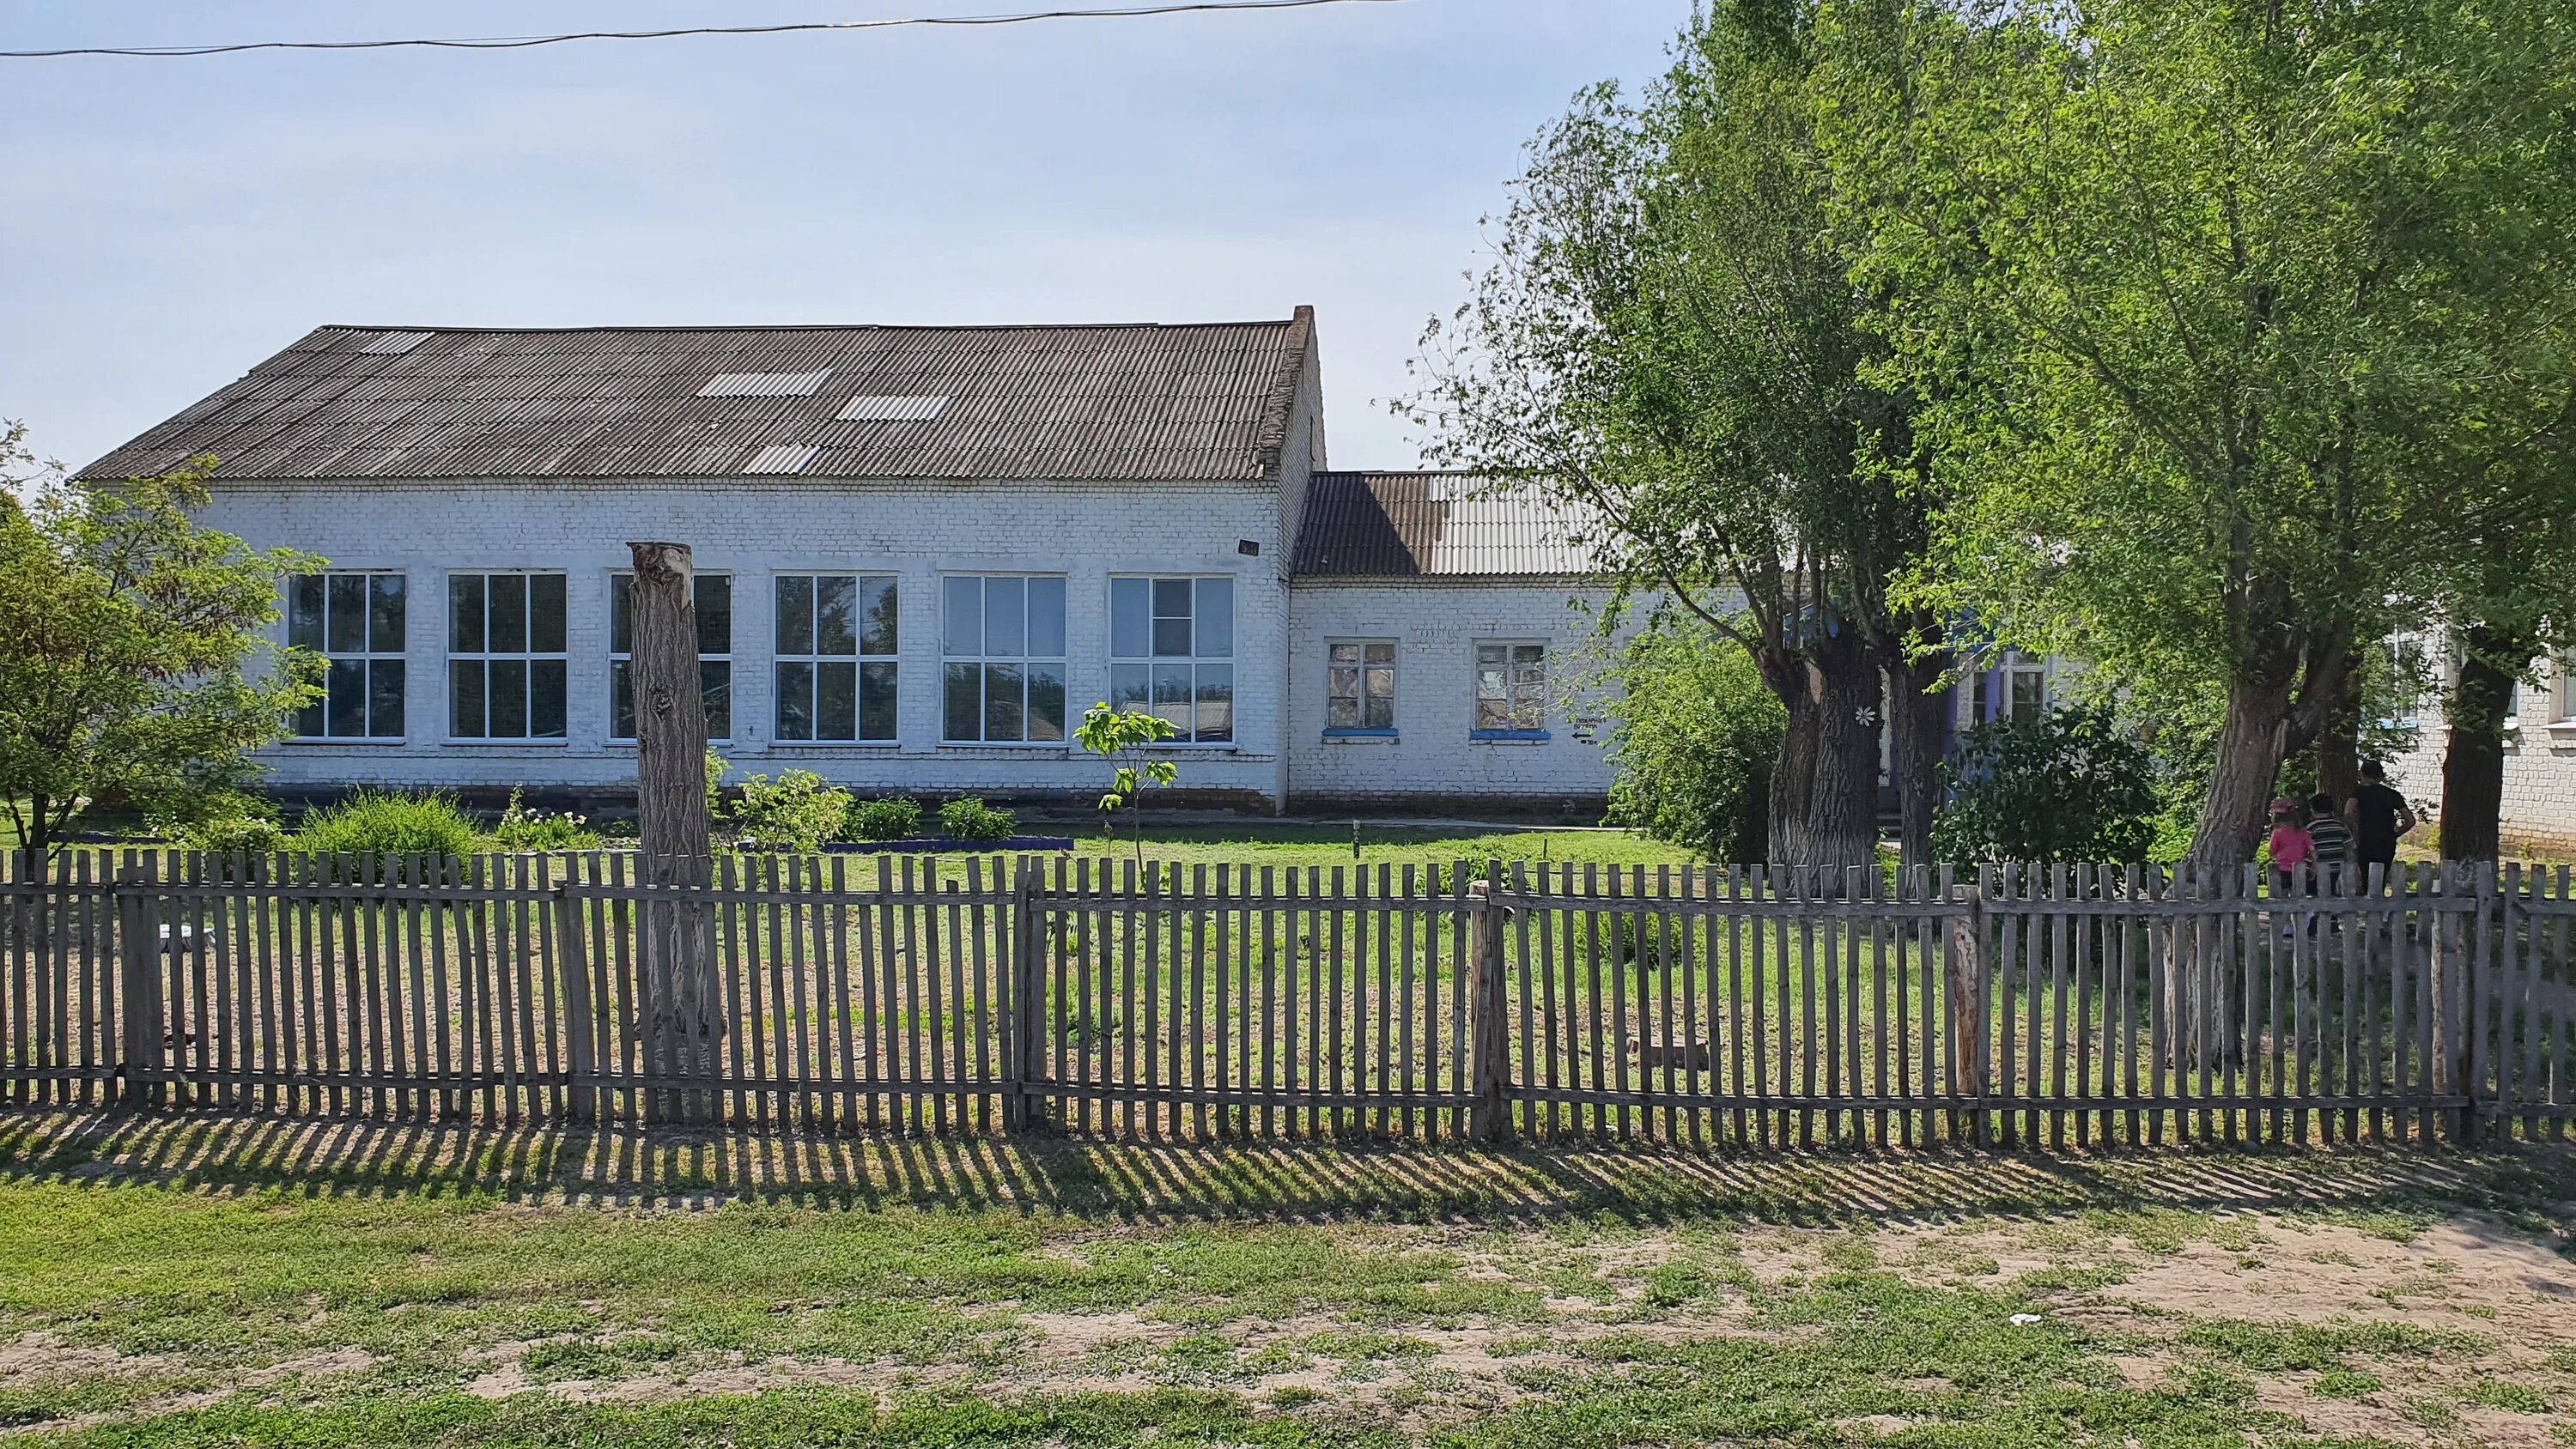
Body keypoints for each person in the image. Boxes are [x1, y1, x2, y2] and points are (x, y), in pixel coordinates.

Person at [2347, 761, 2417, 887]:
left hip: (2365, 839)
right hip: (2386, 841)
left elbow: (2348, 813)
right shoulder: (2392, 795)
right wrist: (2396, 833)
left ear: (2361, 774)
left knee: (2366, 878)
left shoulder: (2357, 793)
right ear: (2380, 776)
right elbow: (2410, 820)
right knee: (2381, 878)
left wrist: (2355, 832)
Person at [2268, 798, 2314, 907]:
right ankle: (2304, 919)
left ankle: (2287, 923)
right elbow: (2312, 849)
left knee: (2282, 900)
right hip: (2299, 868)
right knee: (2299, 898)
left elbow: (2271, 851)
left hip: (2282, 868)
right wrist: (2314, 866)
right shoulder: (2302, 832)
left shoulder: (2277, 833)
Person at [2307, 792, 2352, 894]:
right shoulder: (2340, 826)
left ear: (2313, 810)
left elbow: (2307, 848)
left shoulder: (2312, 828)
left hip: (2319, 870)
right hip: (2338, 869)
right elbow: (2349, 847)